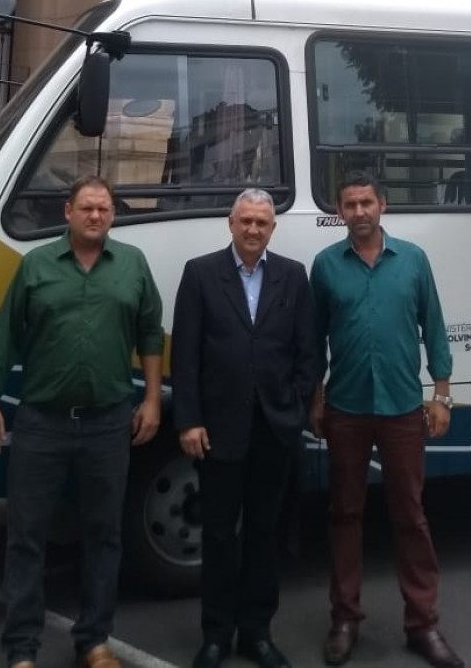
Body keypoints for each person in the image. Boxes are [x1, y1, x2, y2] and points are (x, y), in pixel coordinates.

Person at [0, 175, 165, 668]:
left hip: (108, 424)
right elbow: (3, 337)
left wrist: (152, 401)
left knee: (104, 535)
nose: (96, 216)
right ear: (68, 212)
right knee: (26, 537)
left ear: (112, 216)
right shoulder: (35, 265)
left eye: (104, 209)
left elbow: (149, 334)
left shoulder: (132, 266)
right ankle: (21, 650)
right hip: (42, 423)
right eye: (87, 208)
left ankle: (94, 641)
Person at [310, 171, 463, 668]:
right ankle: (345, 618)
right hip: (347, 409)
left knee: (411, 517)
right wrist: (315, 399)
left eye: (366, 203)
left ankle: (423, 625)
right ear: (340, 211)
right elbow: (313, 342)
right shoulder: (326, 266)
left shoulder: (413, 261)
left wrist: (441, 394)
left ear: (383, 206)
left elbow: (434, 327)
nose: (358, 212)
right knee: (344, 514)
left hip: (401, 409)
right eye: (349, 204)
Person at [171, 188, 316, 668]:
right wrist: (188, 419)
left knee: (263, 534)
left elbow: (308, 355)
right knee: (217, 536)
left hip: (275, 431)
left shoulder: (293, 277)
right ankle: (215, 635)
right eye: (246, 221)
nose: (253, 229)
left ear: (272, 229)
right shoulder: (200, 274)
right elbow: (185, 356)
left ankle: (257, 632)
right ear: (230, 224)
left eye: (262, 223)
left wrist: (294, 408)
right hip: (218, 431)